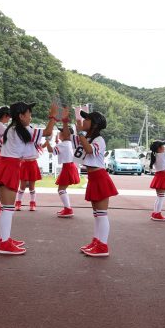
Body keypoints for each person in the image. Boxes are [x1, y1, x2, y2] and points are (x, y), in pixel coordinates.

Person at [0, 101, 58, 255]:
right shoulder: (21, 129)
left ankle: (5, 239)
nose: (31, 117)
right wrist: (52, 116)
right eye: (29, 114)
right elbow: (48, 132)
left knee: (7, 208)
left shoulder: (13, 129)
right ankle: (4, 243)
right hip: (9, 167)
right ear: (21, 116)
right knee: (8, 209)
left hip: (8, 166)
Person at [71, 109, 118, 257]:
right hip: (93, 178)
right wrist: (71, 123)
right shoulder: (89, 138)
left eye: (87, 119)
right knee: (97, 214)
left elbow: (89, 150)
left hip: (100, 177)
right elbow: (74, 139)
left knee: (102, 214)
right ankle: (97, 241)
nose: (84, 122)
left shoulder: (99, 140)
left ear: (95, 124)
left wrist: (80, 132)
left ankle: (103, 246)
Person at [45, 118, 79, 218]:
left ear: (65, 135)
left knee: (61, 190)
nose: (59, 133)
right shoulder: (68, 143)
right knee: (62, 189)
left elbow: (51, 151)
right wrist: (56, 143)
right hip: (70, 166)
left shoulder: (63, 144)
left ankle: (68, 209)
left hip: (67, 167)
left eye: (61, 132)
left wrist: (47, 141)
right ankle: (67, 208)